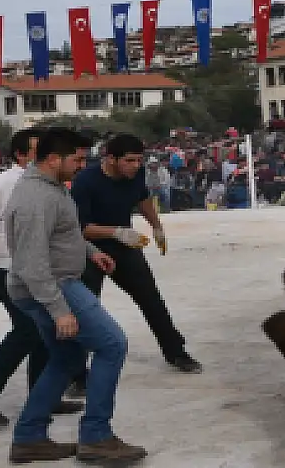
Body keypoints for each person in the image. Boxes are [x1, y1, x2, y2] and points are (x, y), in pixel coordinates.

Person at [5, 127, 146, 464]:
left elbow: (61, 233)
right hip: (52, 287)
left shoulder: (51, 189)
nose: (84, 165)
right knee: (112, 345)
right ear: (53, 160)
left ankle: (29, 437)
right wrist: (59, 310)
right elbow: (31, 261)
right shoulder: (36, 199)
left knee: (67, 359)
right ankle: (96, 436)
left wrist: (89, 251)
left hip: (53, 283)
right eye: (78, 159)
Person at [0, 128, 83, 425]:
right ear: (20, 155)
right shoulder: (1, 184)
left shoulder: (50, 185)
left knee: (42, 333)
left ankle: (44, 396)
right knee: (28, 330)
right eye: (36, 150)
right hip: (4, 268)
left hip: (34, 270)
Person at [69, 133, 200, 390]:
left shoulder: (136, 174)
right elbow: (77, 228)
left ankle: (175, 351)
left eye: (139, 160)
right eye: (129, 161)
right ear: (111, 159)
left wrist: (157, 226)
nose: (135, 165)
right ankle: (77, 374)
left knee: (151, 299)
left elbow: (143, 200)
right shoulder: (85, 181)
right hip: (90, 250)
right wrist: (115, 231)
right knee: (86, 311)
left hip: (125, 248)